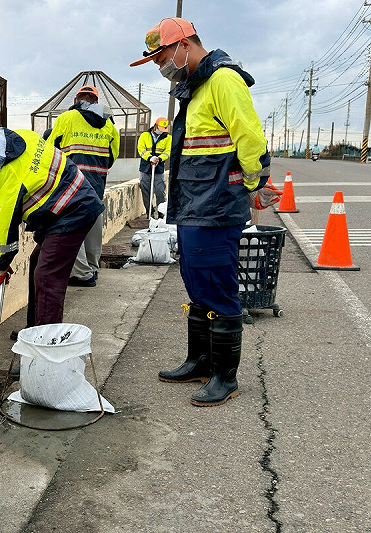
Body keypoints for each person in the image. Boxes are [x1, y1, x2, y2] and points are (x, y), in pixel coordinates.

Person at [130, 17, 281, 407]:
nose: (160, 65)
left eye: (161, 55)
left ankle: (224, 376)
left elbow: (249, 136)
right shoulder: (194, 89)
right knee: (197, 283)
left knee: (217, 286)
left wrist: (256, 185)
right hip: (195, 202)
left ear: (184, 44)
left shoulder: (223, 80)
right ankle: (199, 360)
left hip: (216, 203)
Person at [0, 128, 104, 329]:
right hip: (67, 204)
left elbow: (5, 226)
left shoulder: (5, 174)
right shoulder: (19, 137)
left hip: (72, 211)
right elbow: (38, 179)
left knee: (47, 276)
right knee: (37, 262)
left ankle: (45, 342)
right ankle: (34, 330)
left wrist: (1, 266)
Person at [47, 85, 120, 287]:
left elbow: (52, 150)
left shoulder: (65, 119)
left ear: (75, 101)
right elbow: (113, 156)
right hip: (97, 181)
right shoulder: (109, 126)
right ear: (96, 102)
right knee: (93, 224)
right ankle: (93, 268)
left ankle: (82, 274)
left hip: (71, 182)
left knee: (71, 225)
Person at [137, 117, 171, 218]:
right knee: (145, 191)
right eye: (160, 128)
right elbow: (141, 149)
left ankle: (161, 214)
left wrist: (159, 159)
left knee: (160, 190)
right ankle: (150, 213)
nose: (161, 131)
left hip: (158, 168)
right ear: (155, 126)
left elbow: (168, 151)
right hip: (145, 167)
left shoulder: (168, 137)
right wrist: (149, 158)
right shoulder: (145, 135)